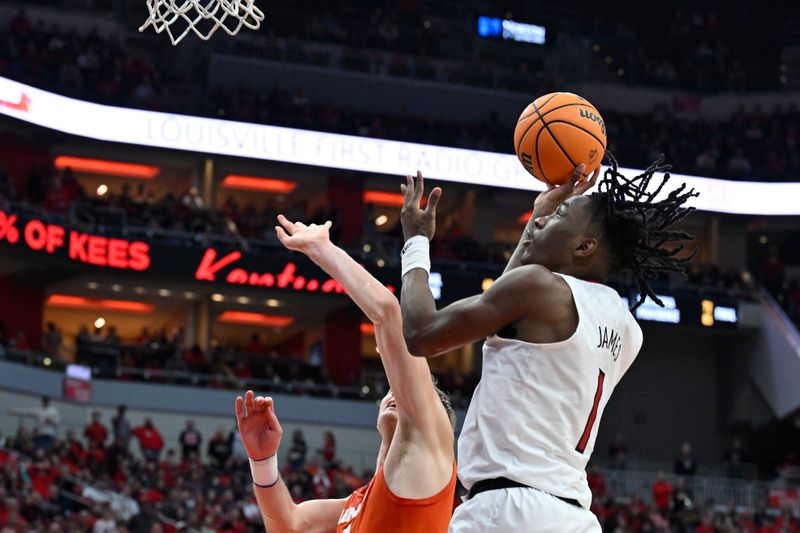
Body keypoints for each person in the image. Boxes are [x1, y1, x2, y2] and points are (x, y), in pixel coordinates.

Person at [398, 156, 697, 532]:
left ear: (584, 247)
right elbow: (507, 308)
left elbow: (422, 333)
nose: (539, 221)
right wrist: (544, 211)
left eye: (557, 219)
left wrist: (416, 244)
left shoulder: (539, 289)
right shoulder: (627, 329)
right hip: (572, 517)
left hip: (507, 511)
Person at [235, 214, 457, 533]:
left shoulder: (429, 438)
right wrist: (262, 461)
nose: (394, 393)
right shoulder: (355, 503)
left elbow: (387, 312)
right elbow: (289, 525)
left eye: (406, 389)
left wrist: (322, 249)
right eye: (390, 391)